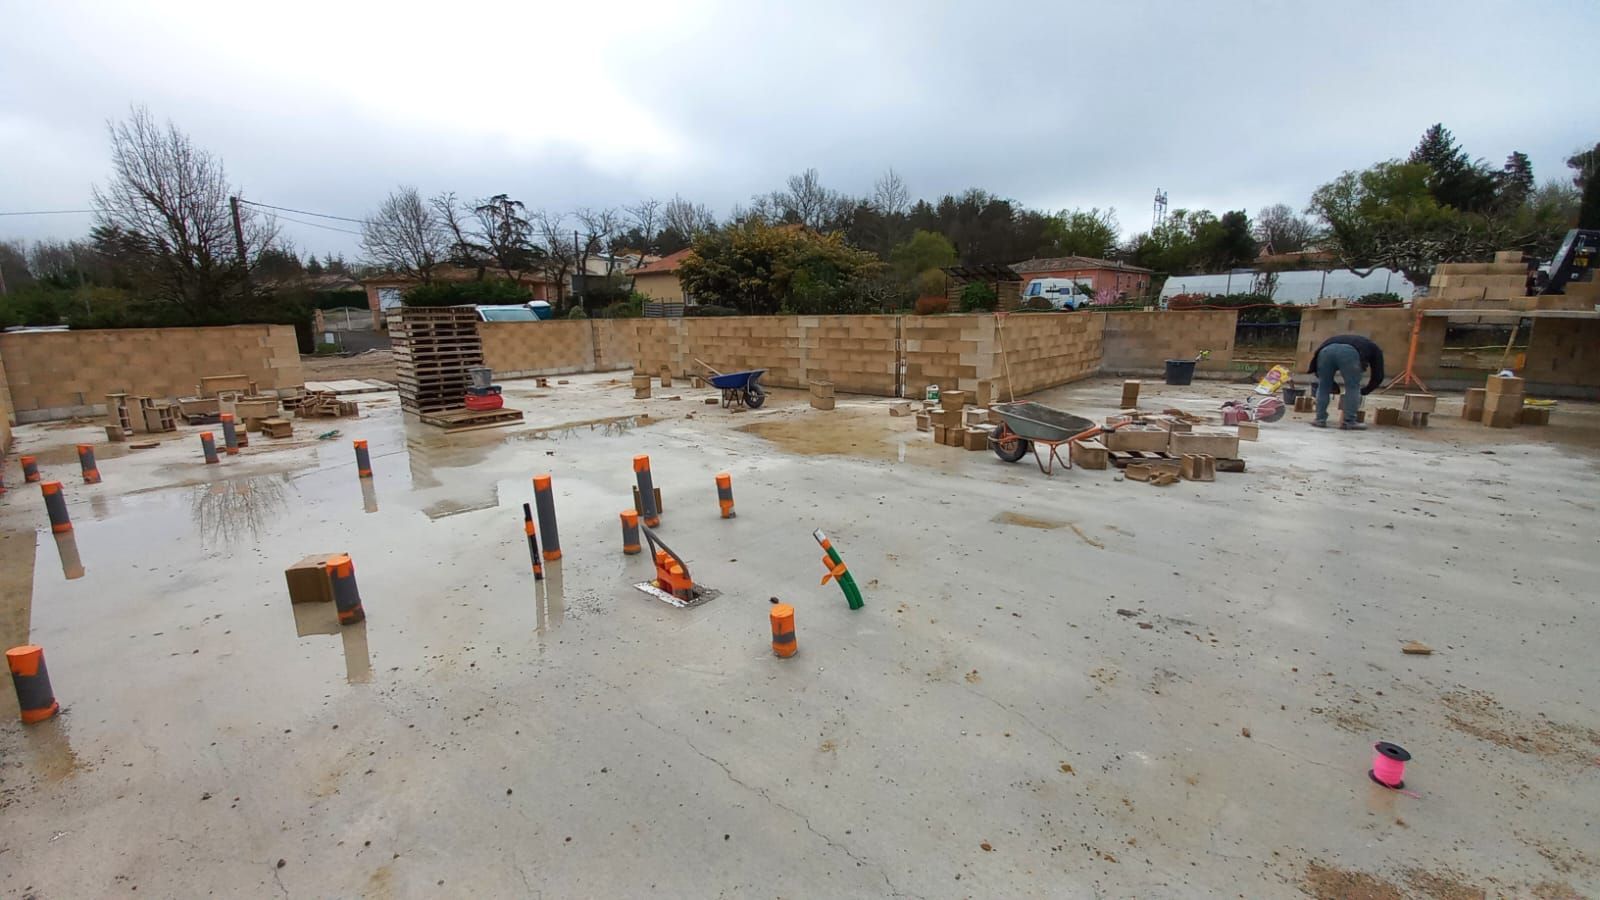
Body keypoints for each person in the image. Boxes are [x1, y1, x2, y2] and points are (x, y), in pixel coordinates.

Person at [1306, 333, 1384, 430]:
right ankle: (1349, 421)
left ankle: (1319, 419)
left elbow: (1318, 371)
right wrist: (1365, 390)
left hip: (1325, 351)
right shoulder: (1375, 349)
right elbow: (1378, 375)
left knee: (1323, 385)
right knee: (1353, 387)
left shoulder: (1336, 339)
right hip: (1350, 353)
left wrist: (1333, 386)